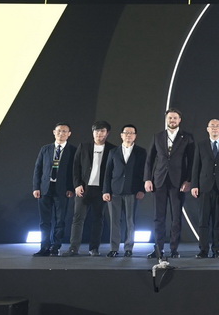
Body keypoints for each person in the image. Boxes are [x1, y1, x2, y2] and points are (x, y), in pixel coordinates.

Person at [143, 108, 195, 259]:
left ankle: (174, 249)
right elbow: (149, 159)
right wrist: (147, 179)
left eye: (175, 118)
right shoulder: (158, 136)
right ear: (166, 119)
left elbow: (192, 161)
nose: (172, 120)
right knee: (158, 217)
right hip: (159, 180)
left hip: (178, 182)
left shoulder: (187, 137)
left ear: (179, 120)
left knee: (176, 217)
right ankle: (158, 248)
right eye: (170, 118)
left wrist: (188, 180)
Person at [68, 120, 116, 256]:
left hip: (101, 190)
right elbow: (75, 167)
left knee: (98, 219)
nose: (99, 133)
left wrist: (108, 189)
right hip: (84, 188)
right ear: (93, 132)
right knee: (78, 218)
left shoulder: (112, 149)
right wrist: (77, 184)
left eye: (102, 131)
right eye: (97, 131)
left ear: (107, 133)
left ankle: (94, 248)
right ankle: (73, 248)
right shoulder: (84, 146)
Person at [31, 123, 76, 256]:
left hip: (62, 189)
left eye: (64, 131)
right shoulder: (45, 149)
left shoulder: (73, 150)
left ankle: (56, 246)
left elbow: (74, 171)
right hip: (45, 188)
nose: (61, 133)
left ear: (69, 134)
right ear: (54, 132)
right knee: (44, 221)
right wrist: (36, 187)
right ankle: (44, 246)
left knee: (60, 220)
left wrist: (71, 188)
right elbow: (38, 169)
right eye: (59, 131)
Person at [190, 119, 219, 259]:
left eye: (217, 126)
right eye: (212, 126)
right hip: (204, 187)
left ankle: (217, 249)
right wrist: (194, 185)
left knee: (218, 220)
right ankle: (203, 250)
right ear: (207, 129)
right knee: (203, 220)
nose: (215, 128)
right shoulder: (201, 145)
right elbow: (196, 166)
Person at [102, 125, 146, 257]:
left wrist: (142, 189)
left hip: (132, 191)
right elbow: (108, 172)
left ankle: (128, 248)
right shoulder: (113, 152)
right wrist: (106, 191)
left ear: (135, 136)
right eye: (126, 133)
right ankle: (114, 248)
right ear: (121, 135)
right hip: (115, 190)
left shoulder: (141, 151)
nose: (128, 135)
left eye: (131, 133)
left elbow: (144, 172)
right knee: (114, 221)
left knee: (130, 221)